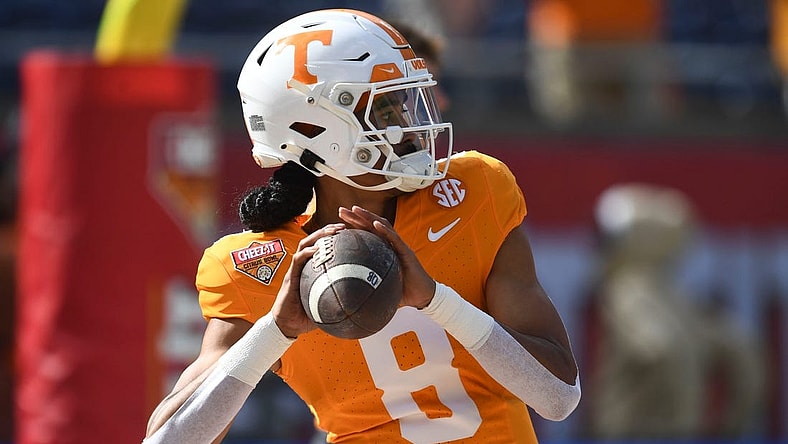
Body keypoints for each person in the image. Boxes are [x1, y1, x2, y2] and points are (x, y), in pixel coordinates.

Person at [143, 9, 580, 443]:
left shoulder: (475, 189)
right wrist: (275, 331)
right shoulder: (253, 264)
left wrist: (435, 301)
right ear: (317, 131)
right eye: (387, 110)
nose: (412, 126)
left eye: (407, 102)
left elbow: (557, 397)